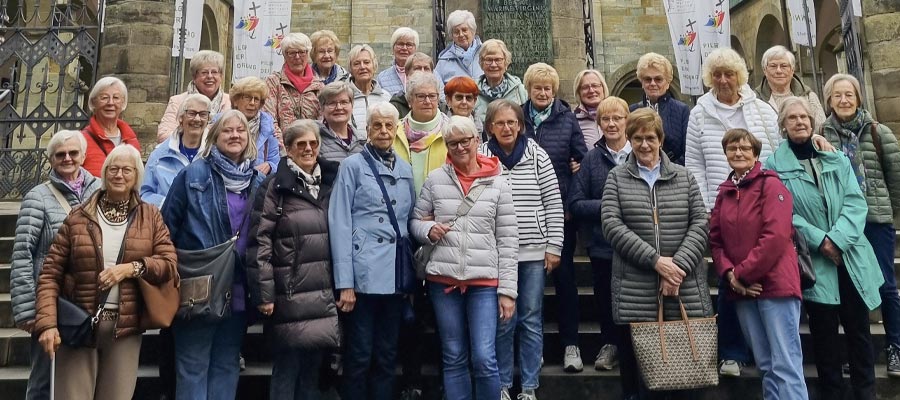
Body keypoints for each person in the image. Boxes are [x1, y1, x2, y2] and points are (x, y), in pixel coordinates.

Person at [764, 96, 884, 400]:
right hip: (814, 262)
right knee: (825, 337)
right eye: (792, 118)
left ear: (813, 122)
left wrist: (839, 240)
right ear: (783, 125)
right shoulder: (774, 167)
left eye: (804, 117)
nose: (800, 122)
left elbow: (856, 203)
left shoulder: (837, 159)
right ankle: (833, 392)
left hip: (850, 255)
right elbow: (785, 215)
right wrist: (822, 241)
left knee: (859, 332)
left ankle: (865, 392)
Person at [35, 145, 177, 399]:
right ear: (104, 173)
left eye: (126, 170)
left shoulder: (151, 216)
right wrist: (47, 324)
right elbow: (50, 274)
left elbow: (168, 264)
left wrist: (132, 268)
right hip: (78, 325)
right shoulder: (79, 217)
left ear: (137, 177)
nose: (119, 175)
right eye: (113, 169)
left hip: (125, 327)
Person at [601, 108, 713, 400]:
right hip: (635, 289)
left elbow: (700, 224)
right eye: (637, 138)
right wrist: (657, 262)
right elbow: (612, 225)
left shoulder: (685, 177)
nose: (644, 145)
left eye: (650, 137)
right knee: (641, 377)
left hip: (683, 286)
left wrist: (676, 269)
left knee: (684, 373)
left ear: (661, 139)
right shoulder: (616, 178)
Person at [410, 115, 517, 400]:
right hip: (442, 280)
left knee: (484, 357)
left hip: (484, 281)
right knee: (454, 354)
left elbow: (508, 240)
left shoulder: (498, 184)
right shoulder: (435, 180)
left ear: (477, 141)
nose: (459, 148)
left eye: (465, 141)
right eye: (452, 143)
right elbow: (415, 221)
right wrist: (428, 229)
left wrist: (507, 291)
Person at [161, 109, 264, 400]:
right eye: (227, 130)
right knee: (193, 366)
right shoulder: (193, 173)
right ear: (215, 136)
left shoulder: (256, 181)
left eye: (240, 130)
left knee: (226, 363)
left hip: (239, 287)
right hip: (199, 286)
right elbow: (167, 225)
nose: (235, 135)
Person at [685, 48, 775, 375]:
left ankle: (765, 347)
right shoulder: (699, 113)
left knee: (763, 275)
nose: (723, 80)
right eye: (717, 74)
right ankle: (732, 352)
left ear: (740, 76)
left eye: (729, 74)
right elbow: (694, 163)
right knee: (728, 279)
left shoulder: (762, 110)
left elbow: (775, 158)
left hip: (760, 206)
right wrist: (705, 206)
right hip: (720, 206)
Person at [709, 128, 808, 400]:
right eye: (732, 148)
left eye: (744, 148)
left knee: (786, 365)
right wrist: (730, 275)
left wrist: (742, 274)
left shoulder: (771, 185)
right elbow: (715, 242)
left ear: (755, 153)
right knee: (765, 365)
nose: (738, 153)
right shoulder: (725, 194)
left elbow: (775, 235)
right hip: (741, 291)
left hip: (775, 287)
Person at [247, 119, 341, 400]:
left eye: (313, 143)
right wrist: (265, 294)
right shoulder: (274, 187)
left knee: (313, 372)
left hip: (323, 290)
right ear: (287, 149)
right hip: (290, 292)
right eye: (301, 144)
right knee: (287, 369)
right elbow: (259, 241)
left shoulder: (332, 181)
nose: (309, 149)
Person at [329, 102, 415, 400]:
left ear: (396, 130)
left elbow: (408, 222)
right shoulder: (352, 166)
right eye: (377, 125)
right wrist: (345, 283)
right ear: (367, 131)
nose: (383, 131)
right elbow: (339, 222)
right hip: (362, 278)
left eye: (388, 126)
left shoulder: (405, 169)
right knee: (359, 355)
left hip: (393, 278)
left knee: (387, 355)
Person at [479, 99, 563, 400]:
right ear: (490, 126)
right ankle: (501, 384)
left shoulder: (538, 156)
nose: (506, 128)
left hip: (533, 252)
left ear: (520, 125)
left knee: (530, 316)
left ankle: (529, 387)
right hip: (496, 253)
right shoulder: (481, 157)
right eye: (499, 123)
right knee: (503, 320)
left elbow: (553, 203)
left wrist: (554, 246)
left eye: (511, 122)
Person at [10, 130, 101, 400]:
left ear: (84, 155)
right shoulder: (38, 197)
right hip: (52, 303)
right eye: (60, 155)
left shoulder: (100, 190)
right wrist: (28, 310)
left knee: (82, 378)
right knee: (43, 379)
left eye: (73, 153)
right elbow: (23, 253)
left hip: (90, 300)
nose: (68, 158)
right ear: (51, 160)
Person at [820, 73, 900, 377]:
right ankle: (856, 352)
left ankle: (895, 347)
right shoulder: (821, 135)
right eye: (837, 95)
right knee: (849, 291)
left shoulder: (879, 132)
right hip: (840, 225)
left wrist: (888, 213)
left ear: (858, 98)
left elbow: (896, 179)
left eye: (849, 95)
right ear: (829, 100)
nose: (843, 100)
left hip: (874, 221)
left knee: (886, 286)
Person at [521, 62, 588, 372]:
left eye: (548, 88)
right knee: (524, 285)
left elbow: (583, 161)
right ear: (529, 89)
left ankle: (570, 344)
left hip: (560, 212)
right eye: (538, 87)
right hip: (522, 214)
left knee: (565, 280)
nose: (543, 92)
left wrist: (571, 196)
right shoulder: (517, 117)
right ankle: (531, 349)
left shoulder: (567, 119)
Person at [568, 96, 632, 373]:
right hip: (603, 244)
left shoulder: (640, 152)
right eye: (605, 119)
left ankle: (636, 347)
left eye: (617, 118)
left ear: (627, 121)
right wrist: (609, 206)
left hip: (640, 244)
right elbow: (576, 202)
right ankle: (610, 345)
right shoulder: (592, 158)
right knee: (605, 298)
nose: (611, 124)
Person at [142, 93, 210, 207]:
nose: (197, 119)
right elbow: (144, 194)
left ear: (208, 120)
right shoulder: (160, 155)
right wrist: (168, 204)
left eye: (203, 114)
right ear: (181, 118)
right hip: (166, 222)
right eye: (191, 113)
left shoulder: (214, 154)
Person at [265, 32, 325, 149]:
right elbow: (269, 119)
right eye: (292, 53)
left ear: (308, 54)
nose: (297, 57)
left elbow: (323, 121)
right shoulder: (273, 82)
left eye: (302, 52)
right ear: (284, 55)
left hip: (312, 148)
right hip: (282, 148)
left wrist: (314, 145)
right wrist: (286, 148)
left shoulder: (319, 86)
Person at [393, 72, 450, 194]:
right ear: (409, 100)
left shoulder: (451, 131)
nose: (427, 101)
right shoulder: (394, 132)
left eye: (432, 96)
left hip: (440, 207)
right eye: (421, 96)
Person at [629, 53, 690, 165]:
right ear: (642, 83)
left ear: (667, 83)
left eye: (658, 79)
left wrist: (668, 170)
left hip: (674, 174)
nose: (653, 83)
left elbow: (688, 151)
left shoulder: (682, 111)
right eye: (648, 79)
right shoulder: (632, 111)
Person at [158, 50, 232, 142]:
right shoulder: (177, 101)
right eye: (204, 72)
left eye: (214, 72)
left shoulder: (231, 102)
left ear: (221, 76)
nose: (209, 76)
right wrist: (196, 138)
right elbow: (163, 135)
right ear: (194, 76)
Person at [81, 76, 141, 176]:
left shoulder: (131, 140)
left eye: (116, 98)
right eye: (104, 98)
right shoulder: (81, 140)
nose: (110, 103)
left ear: (123, 103)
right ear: (93, 102)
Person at [755, 45, 826, 124]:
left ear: (792, 70)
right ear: (765, 70)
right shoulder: (755, 99)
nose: (779, 71)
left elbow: (821, 129)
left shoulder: (808, 97)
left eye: (784, 66)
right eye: (773, 66)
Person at [230, 76, 280, 175]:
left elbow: (275, 162)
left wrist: (270, 166)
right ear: (235, 101)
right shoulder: (221, 124)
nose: (252, 103)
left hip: (257, 183)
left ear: (261, 104)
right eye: (247, 97)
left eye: (256, 99)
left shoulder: (269, 128)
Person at [473, 39, 527, 126]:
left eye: (498, 60)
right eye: (489, 60)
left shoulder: (521, 91)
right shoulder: (472, 92)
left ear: (506, 63)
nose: (493, 65)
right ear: (482, 64)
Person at [345, 44, 392, 133]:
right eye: (356, 63)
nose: (362, 67)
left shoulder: (385, 97)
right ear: (350, 69)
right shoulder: (344, 97)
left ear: (374, 66)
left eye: (366, 62)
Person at [317, 81, 367, 162]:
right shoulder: (315, 140)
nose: (339, 107)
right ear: (322, 108)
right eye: (332, 103)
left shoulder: (361, 142)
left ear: (352, 106)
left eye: (344, 102)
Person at [388, 53, 447, 118]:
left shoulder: (442, 107)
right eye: (417, 68)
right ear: (407, 73)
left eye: (426, 68)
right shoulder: (396, 106)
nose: (422, 72)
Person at [435, 10, 483, 83]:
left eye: (464, 30)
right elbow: (438, 89)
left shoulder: (485, 53)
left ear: (472, 31)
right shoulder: (443, 61)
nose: (461, 34)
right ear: (452, 35)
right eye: (456, 32)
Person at [377, 27, 421, 95]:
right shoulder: (382, 78)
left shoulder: (429, 73)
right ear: (393, 48)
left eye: (409, 45)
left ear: (416, 49)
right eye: (400, 44)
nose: (404, 48)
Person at [572, 69, 610, 148]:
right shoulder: (572, 121)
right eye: (585, 87)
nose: (591, 90)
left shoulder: (618, 116)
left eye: (595, 85)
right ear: (579, 92)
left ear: (603, 87)